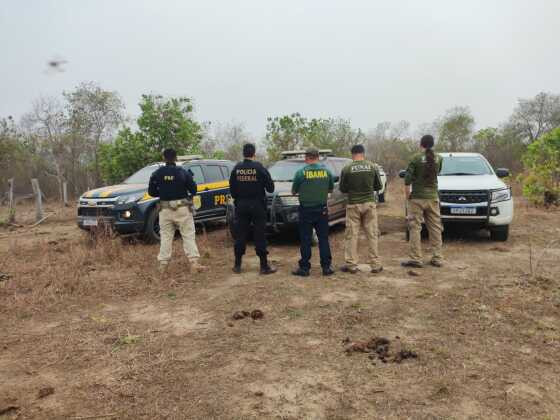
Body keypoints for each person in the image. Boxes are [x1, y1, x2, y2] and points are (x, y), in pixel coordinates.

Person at [148, 148, 207, 273]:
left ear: (164, 158)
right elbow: (194, 190)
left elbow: (151, 192)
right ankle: (194, 264)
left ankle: (163, 266)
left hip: (165, 210)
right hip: (182, 209)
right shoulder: (183, 172)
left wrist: (163, 191)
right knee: (188, 235)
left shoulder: (157, 173)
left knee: (165, 237)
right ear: (176, 158)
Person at [229, 143, 277, 275]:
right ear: (254, 154)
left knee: (240, 235)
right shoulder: (259, 167)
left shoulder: (237, 169)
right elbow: (270, 188)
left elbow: (232, 191)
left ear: (243, 153)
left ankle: (237, 265)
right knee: (259, 235)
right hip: (257, 206)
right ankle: (264, 266)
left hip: (241, 206)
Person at [339, 144, 384, 274]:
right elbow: (378, 186)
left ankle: (351, 265)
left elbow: (342, 189)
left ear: (352, 154)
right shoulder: (372, 166)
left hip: (353, 204)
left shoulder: (347, 168)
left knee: (352, 235)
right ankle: (375, 264)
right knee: (372, 234)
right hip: (369, 204)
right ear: (363, 153)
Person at [291, 147, 335, 277]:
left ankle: (304, 268)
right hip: (322, 210)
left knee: (305, 239)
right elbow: (330, 190)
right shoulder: (327, 172)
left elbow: (294, 191)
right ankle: (326, 267)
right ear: (318, 157)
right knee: (323, 239)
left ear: (307, 157)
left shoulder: (301, 173)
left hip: (306, 210)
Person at [401, 135, 444, 268]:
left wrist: (408, 195)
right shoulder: (439, 158)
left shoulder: (415, 158)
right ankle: (437, 258)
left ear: (421, 144)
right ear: (432, 144)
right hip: (432, 197)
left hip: (417, 198)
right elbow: (438, 173)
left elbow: (407, 179)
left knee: (415, 228)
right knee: (435, 228)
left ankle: (416, 259)